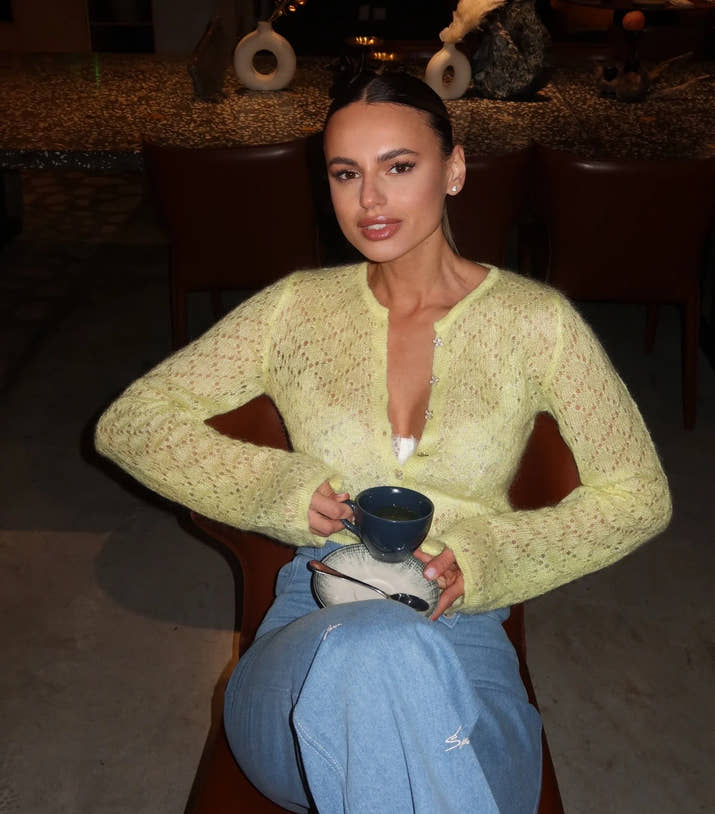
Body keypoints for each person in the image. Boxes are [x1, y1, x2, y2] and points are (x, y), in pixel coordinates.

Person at [95, 70, 672, 813]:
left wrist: (491, 555)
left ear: (453, 169)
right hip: (304, 648)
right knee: (375, 646)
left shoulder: (537, 324)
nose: (369, 200)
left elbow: (638, 494)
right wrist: (278, 489)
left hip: (462, 648)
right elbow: (133, 423)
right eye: (346, 174)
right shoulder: (295, 309)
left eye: (398, 167)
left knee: (407, 690)